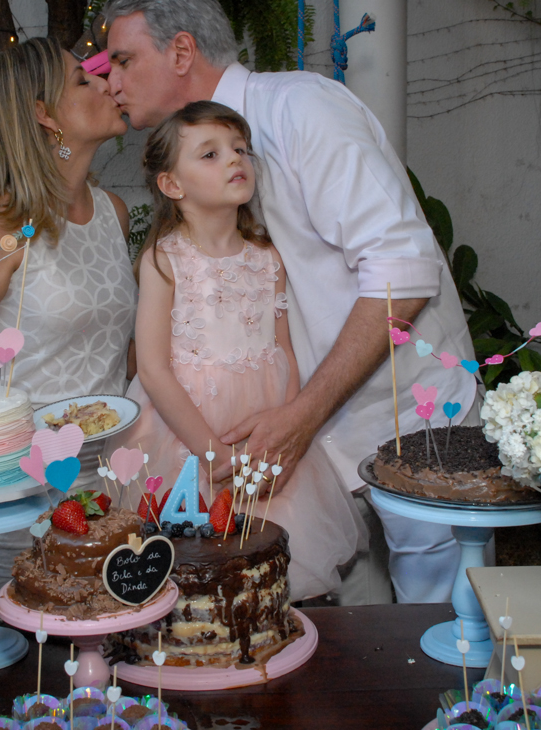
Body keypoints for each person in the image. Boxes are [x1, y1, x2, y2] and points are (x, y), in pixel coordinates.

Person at [102, 0, 479, 604]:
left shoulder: (304, 109)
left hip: (404, 418)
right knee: (326, 641)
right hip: (302, 443)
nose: (111, 80)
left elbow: (404, 273)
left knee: (441, 631)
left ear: (181, 52)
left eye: (122, 59)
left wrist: (302, 417)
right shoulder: (184, 222)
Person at [114, 101, 362, 601]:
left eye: (240, 149)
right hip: (184, 431)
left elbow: (283, 351)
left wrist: (285, 430)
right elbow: (155, 369)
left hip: (261, 430)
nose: (234, 160)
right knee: (189, 563)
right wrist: (210, 450)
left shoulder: (268, 255)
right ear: (173, 185)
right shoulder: (165, 259)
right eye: (210, 154)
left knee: (267, 563)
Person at [0, 36, 138, 591]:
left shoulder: (113, 213)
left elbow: (121, 345)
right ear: (44, 115)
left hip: (107, 472)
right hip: (19, 481)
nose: (107, 83)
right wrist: (26, 443)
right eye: (82, 79)